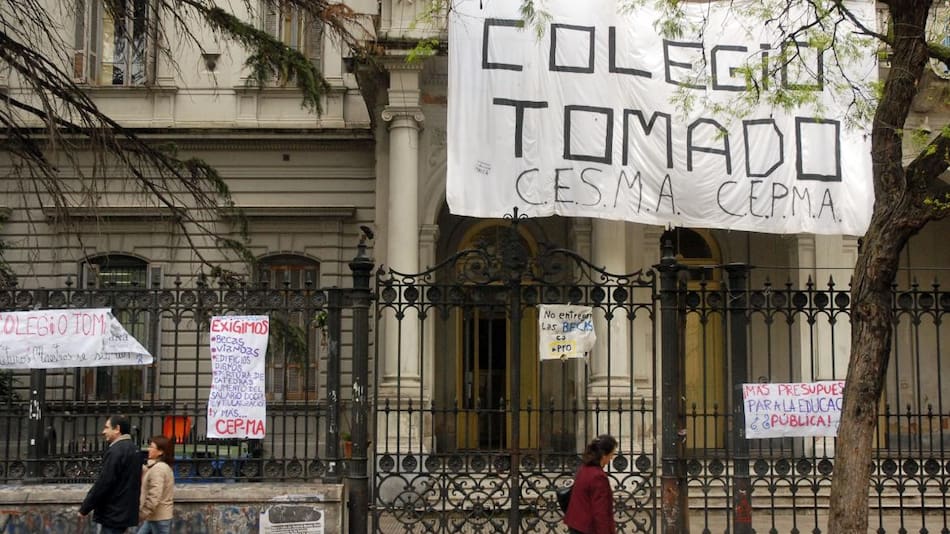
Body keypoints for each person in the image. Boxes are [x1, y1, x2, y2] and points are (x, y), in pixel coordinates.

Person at [80, 415, 142, 534]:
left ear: (117, 429)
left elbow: (104, 482)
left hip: (113, 513)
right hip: (125, 511)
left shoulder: (116, 451)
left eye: (107, 427)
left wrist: (85, 508)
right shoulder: (134, 449)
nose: (104, 431)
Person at [563, 434, 618, 534]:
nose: (611, 458)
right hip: (588, 528)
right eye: (611, 454)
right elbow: (601, 512)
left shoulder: (584, 469)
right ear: (604, 455)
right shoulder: (598, 477)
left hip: (576, 524)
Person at [138, 435, 175, 534]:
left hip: (158, 518)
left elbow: (155, 494)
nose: (148, 449)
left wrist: (143, 513)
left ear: (160, 451)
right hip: (155, 517)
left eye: (151, 446)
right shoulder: (158, 467)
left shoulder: (159, 468)